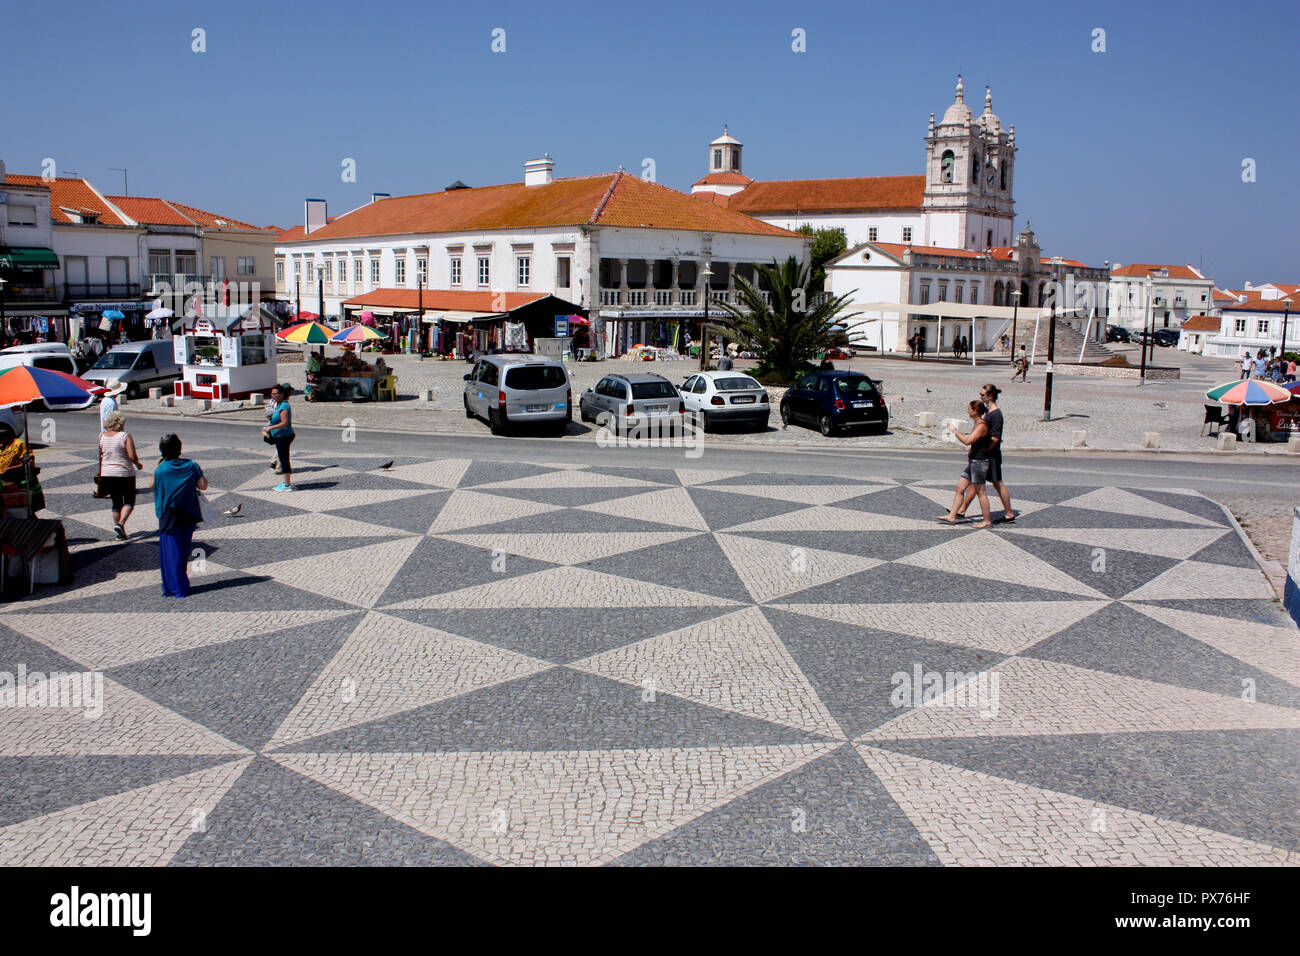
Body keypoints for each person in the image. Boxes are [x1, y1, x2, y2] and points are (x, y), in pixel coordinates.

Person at [153, 433, 207, 598]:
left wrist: (157, 466)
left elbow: (152, 485)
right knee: (183, 551)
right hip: (189, 512)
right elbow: (203, 485)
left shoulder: (161, 469)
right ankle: (180, 585)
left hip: (169, 514)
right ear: (179, 448)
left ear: (162, 451)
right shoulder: (191, 465)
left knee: (171, 552)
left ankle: (174, 587)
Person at [955, 384, 1016, 523]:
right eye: (980, 394)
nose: (980, 397)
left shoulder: (996, 415)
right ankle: (962, 509)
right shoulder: (989, 412)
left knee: (997, 483)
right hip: (983, 456)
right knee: (976, 482)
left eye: (982, 395)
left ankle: (1009, 513)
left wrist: (985, 450)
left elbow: (995, 438)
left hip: (991, 455)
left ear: (990, 396)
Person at [938, 400, 994, 529]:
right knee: (960, 488)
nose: (967, 411)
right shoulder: (977, 424)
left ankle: (986, 521)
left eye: (969, 409)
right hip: (973, 462)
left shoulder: (981, 425)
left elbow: (968, 441)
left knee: (981, 492)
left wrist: (955, 431)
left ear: (974, 411)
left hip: (979, 463)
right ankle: (952, 516)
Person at [98, 411, 143, 539]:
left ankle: (119, 533)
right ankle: (121, 524)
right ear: (120, 423)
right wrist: (138, 464)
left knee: (116, 502)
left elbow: (101, 454)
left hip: (107, 473)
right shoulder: (125, 436)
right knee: (129, 501)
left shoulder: (101, 436)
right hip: (124, 473)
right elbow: (132, 456)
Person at [262, 383, 295, 491]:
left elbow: (284, 423)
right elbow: (279, 419)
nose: (273, 396)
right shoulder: (280, 405)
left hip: (284, 435)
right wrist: (271, 417)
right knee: (283, 458)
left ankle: (286, 485)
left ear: (281, 394)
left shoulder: (284, 405)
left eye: (275, 394)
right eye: (271, 394)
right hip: (282, 435)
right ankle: (287, 483)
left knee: (284, 459)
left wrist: (270, 428)